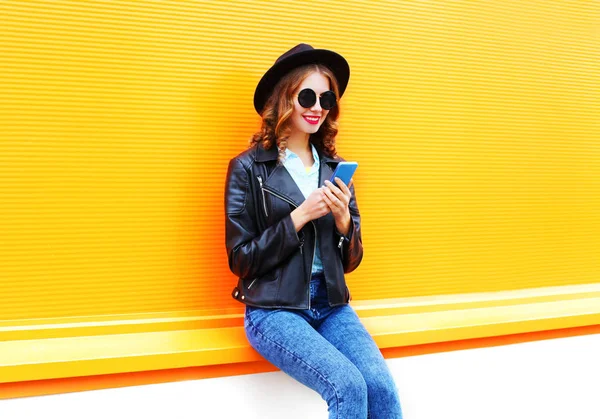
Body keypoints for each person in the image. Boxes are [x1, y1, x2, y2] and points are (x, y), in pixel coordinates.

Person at [224, 43, 403, 418]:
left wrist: (343, 224)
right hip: (274, 310)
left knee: (381, 389)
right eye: (307, 95)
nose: (317, 106)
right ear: (284, 98)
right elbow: (241, 260)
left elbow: (352, 260)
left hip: (330, 304)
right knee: (347, 387)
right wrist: (298, 217)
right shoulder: (247, 169)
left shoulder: (335, 170)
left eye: (327, 99)